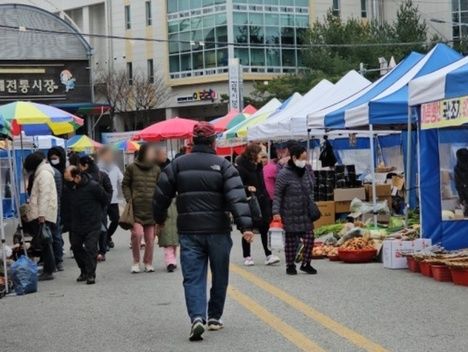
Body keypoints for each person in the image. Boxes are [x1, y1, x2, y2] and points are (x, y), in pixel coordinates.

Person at [153, 121, 254, 342]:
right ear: (213, 141)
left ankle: (197, 317)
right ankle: (214, 317)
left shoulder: (178, 165)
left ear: (192, 140)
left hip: (189, 231)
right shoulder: (224, 165)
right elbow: (236, 196)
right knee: (220, 274)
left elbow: (161, 195)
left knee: (193, 277)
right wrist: (245, 226)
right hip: (218, 230)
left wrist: (159, 219)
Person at [273, 143, 317, 276]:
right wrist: (276, 212)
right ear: (293, 157)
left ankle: (306, 263)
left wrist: (309, 173)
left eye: (305, 158)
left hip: (304, 211)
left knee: (310, 238)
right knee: (291, 241)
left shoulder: (307, 170)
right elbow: (278, 194)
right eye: (302, 158)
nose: (304, 161)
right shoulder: (283, 174)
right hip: (289, 212)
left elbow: (311, 186)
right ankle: (290, 265)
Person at [236, 143, 280, 267]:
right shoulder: (241, 167)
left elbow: (262, 184)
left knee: (265, 227)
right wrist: (247, 188)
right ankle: (247, 256)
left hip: (262, 200)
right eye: (261, 154)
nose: (263, 156)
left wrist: (267, 198)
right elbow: (238, 185)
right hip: (249, 201)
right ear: (253, 154)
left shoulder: (259, 166)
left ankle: (268, 254)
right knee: (248, 228)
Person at [65, 166, 110, 284]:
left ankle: (91, 274)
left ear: (77, 177)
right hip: (75, 224)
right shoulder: (69, 187)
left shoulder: (93, 186)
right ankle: (83, 270)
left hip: (92, 223)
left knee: (91, 248)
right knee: (76, 247)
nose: (66, 178)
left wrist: (98, 214)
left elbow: (105, 199)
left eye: (68, 175)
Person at [122, 143, 160, 273]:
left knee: (150, 238)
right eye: (150, 152)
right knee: (137, 235)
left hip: (151, 209)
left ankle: (148, 262)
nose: (152, 154)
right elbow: (125, 184)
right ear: (143, 152)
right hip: (136, 209)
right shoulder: (132, 167)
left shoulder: (156, 169)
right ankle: (136, 261)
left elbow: (160, 187)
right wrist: (129, 199)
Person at [23, 152, 58, 281]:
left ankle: (49, 270)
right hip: (44, 212)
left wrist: (42, 214)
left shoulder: (43, 174)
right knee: (46, 241)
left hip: (43, 213)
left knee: (45, 242)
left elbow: (44, 196)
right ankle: (49, 268)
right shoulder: (43, 173)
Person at [79, 155, 113, 261]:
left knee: (99, 229)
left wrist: (105, 202)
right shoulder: (83, 176)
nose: (79, 167)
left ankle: (98, 251)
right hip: (96, 207)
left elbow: (109, 189)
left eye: (80, 165)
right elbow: (109, 189)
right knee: (100, 229)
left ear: (85, 165)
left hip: (97, 207)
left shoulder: (100, 175)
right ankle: (98, 251)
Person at [155, 148, 179, 272]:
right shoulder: (154, 169)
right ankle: (170, 261)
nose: (164, 156)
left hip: (174, 201)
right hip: (162, 201)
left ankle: (172, 258)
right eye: (162, 154)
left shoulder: (172, 167)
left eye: (165, 154)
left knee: (174, 235)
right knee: (167, 233)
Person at [98, 147, 124, 249]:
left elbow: (122, 180)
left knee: (116, 220)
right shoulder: (98, 167)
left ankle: (107, 236)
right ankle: (104, 243)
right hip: (102, 199)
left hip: (113, 199)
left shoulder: (115, 167)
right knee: (103, 221)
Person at [47, 147, 66, 271]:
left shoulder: (56, 173)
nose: (54, 160)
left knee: (56, 233)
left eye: (56, 157)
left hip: (57, 207)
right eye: (52, 157)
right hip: (58, 206)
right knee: (57, 233)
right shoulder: (54, 172)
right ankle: (57, 257)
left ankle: (57, 259)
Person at [455, 148, 468, 216]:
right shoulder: (457, 168)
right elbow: (458, 185)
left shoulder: (457, 168)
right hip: (465, 192)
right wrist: (462, 198)